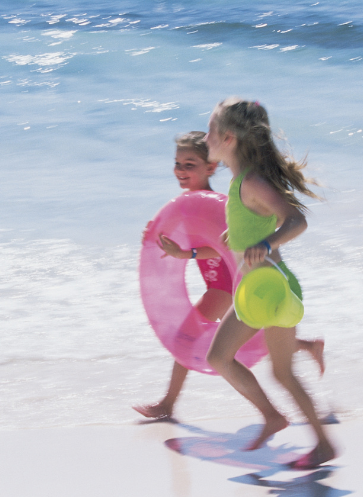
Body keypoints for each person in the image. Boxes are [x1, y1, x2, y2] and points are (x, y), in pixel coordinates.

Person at [133, 131, 324, 421]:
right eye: (178, 164)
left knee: (187, 336)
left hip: (226, 284)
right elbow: (186, 238)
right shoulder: (186, 206)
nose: (181, 171)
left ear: (210, 166)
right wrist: (155, 237)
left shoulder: (221, 206)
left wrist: (188, 255)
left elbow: (223, 247)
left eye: (190, 164)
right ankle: (306, 345)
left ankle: (168, 404)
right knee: (254, 339)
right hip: (219, 284)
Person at [204, 98, 336, 470]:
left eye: (211, 130)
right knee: (279, 371)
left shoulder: (252, 182)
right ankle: (312, 437)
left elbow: (296, 221)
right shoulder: (238, 181)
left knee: (221, 358)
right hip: (266, 291)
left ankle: (281, 421)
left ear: (229, 138)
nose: (205, 136)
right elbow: (258, 219)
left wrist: (264, 244)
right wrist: (242, 234)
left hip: (270, 291)